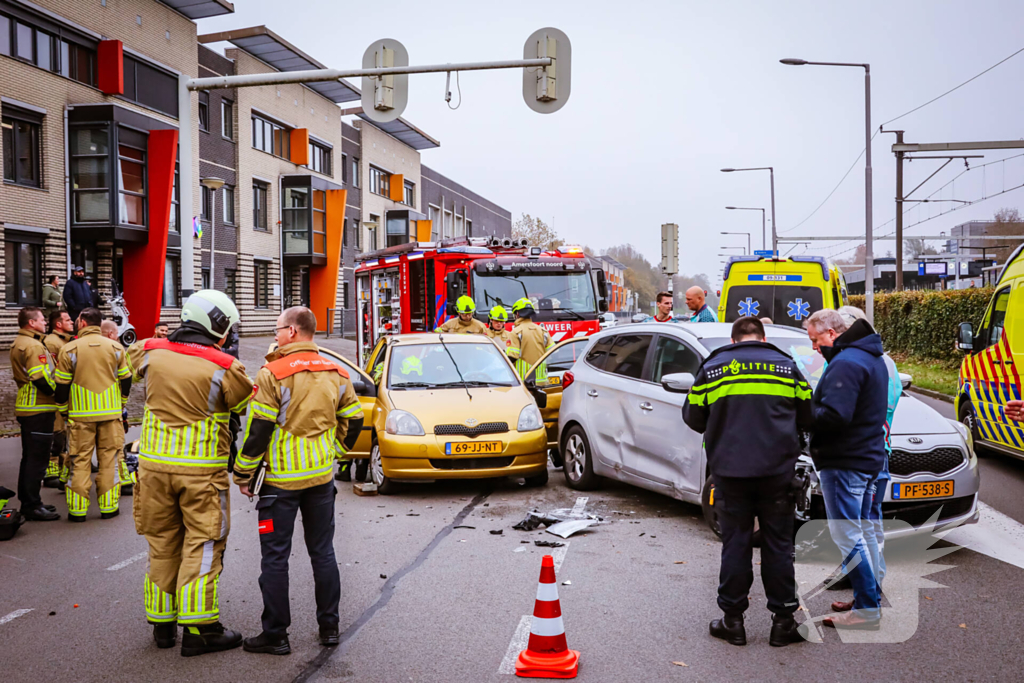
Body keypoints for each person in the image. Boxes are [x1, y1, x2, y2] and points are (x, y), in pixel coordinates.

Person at [126, 290, 253, 656]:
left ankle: (162, 627)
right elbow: (242, 404)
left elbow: (126, 369)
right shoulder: (225, 367)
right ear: (218, 325)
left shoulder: (151, 349)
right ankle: (200, 630)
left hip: (152, 466)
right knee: (203, 542)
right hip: (200, 472)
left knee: (162, 541)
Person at [234, 307, 364, 655]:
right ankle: (329, 628)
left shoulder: (272, 373)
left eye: (277, 329)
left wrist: (244, 474)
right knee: (323, 553)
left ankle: (276, 634)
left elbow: (259, 430)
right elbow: (354, 419)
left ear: (292, 331)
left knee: (275, 558)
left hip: (280, 483)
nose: (275, 336)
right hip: (321, 479)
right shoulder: (336, 371)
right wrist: (334, 452)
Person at [682, 316, 812, 647]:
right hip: (777, 473)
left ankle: (733, 621)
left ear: (735, 339)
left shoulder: (714, 367)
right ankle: (783, 621)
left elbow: (693, 416)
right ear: (762, 337)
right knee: (779, 545)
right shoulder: (786, 366)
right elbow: (809, 414)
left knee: (736, 543)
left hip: (730, 473)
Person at [805, 308, 888, 630]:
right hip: (867, 457)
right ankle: (869, 595)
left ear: (832, 334)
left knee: (847, 534)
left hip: (844, 460)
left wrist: (805, 413)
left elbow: (836, 415)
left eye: (815, 340)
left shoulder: (846, 362)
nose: (814, 347)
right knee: (864, 531)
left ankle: (867, 609)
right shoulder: (869, 356)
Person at [826, 306, 901, 610]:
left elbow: (873, 410)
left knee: (862, 526)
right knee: (866, 525)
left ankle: (870, 596)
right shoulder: (873, 360)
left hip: (867, 453)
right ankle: (866, 593)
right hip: (873, 453)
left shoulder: (870, 362)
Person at [54, 308, 131, 522]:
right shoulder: (116, 347)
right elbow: (126, 379)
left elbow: (61, 386)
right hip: (111, 415)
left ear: (83, 322)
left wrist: (63, 409)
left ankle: (77, 511)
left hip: (80, 416)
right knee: (109, 461)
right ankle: (109, 508)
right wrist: (121, 403)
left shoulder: (69, 349)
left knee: (79, 461)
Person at [10, 307, 61, 521]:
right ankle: (32, 505)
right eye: (41, 319)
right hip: (38, 408)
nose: (44, 322)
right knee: (37, 459)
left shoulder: (22, 342)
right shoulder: (32, 345)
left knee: (30, 458)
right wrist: (59, 395)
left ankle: (31, 502)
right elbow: (40, 378)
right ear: (31, 323)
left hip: (29, 407)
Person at [43, 311, 75, 491]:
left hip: (67, 395)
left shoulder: (66, 341)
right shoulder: (52, 342)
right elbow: (52, 371)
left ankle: (63, 467)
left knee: (65, 434)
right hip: (56, 396)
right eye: (68, 320)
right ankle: (51, 472)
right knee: (57, 434)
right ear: (58, 324)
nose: (71, 322)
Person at [508, 297, 554, 380]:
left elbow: (512, 357)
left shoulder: (516, 332)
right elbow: (553, 353)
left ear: (517, 314)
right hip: (541, 379)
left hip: (523, 380)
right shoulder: (543, 331)